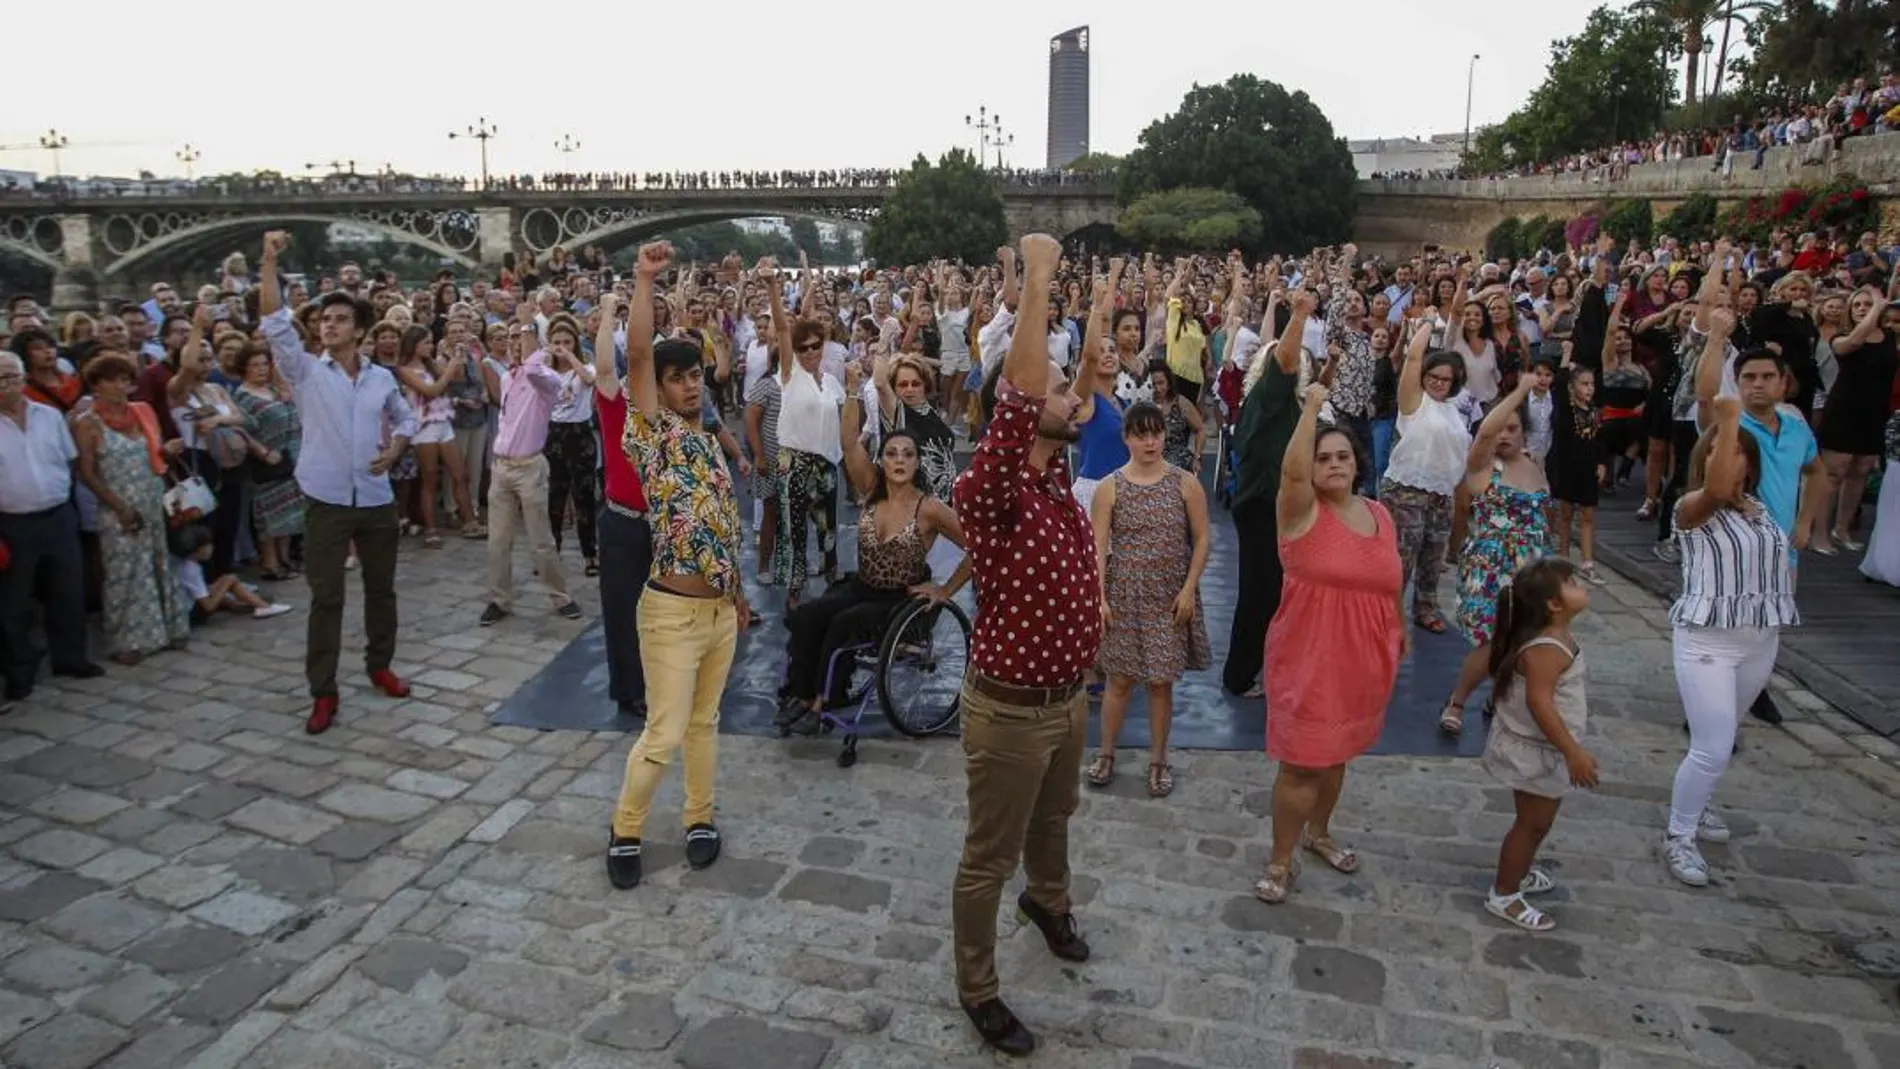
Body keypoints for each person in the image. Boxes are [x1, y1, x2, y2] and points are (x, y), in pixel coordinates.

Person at [949, 235, 1098, 1057]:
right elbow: (1023, 392)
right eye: (1056, 391)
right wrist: (1037, 277)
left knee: (1057, 817)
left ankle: (1050, 900)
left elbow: (1064, 394)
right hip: (1009, 710)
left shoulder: (1051, 481)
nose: (1070, 398)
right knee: (987, 856)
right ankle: (979, 986)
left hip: (1066, 696)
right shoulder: (993, 486)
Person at [607, 242, 750, 892]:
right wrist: (645, 280)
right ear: (658, 390)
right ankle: (626, 828)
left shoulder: (709, 445)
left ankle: (700, 816)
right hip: (668, 612)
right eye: (679, 376)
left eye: (697, 373)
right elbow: (636, 353)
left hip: (718, 611)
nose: (692, 382)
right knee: (662, 731)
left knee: (703, 723)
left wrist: (739, 597)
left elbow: (722, 528)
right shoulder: (653, 435)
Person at [257, 231, 416, 735]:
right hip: (325, 500)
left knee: (381, 590)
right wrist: (267, 262)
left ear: (361, 329)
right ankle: (323, 691)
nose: (329, 325)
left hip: (374, 498)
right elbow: (273, 321)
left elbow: (406, 418)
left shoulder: (381, 378)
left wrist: (396, 447)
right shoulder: (304, 371)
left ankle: (379, 664)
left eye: (340, 319)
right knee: (326, 597)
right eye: (324, 319)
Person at [1254, 383, 1404, 905]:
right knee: (1301, 762)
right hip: (1310, 657)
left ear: (1357, 462)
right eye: (1324, 458)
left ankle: (1318, 834)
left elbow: (1390, 586)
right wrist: (1313, 408)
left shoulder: (1379, 515)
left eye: (1343, 456)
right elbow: (1291, 472)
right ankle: (1280, 856)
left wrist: (1397, 636)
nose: (1334, 464)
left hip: (1364, 661)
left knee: (1337, 755)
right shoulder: (1300, 511)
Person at [776, 361, 969, 734]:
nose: (899, 460)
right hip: (862, 587)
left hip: (900, 600)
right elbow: (848, 442)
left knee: (843, 623)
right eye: (892, 453)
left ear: (917, 462)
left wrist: (945, 591)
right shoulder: (870, 491)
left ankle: (821, 702)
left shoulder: (929, 507)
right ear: (882, 460)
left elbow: (979, 548)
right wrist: (851, 390)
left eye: (907, 455)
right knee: (808, 615)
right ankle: (800, 695)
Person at [1663, 398, 1797, 887]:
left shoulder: (1759, 509)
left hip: (1759, 639)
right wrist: (1728, 420)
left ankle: (1697, 806)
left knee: (1722, 739)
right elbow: (1717, 487)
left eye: (1740, 451)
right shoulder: (1692, 508)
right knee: (1713, 747)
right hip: (1708, 642)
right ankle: (1679, 835)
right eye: (1722, 450)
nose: (1732, 457)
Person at [1086, 400, 1212, 798]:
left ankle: (1159, 759)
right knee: (1118, 681)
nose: (1150, 441)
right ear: (1126, 438)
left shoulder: (1185, 483)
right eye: (1141, 434)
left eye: (1156, 433)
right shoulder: (1109, 488)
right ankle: (1106, 753)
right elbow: (1098, 547)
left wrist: (1190, 588)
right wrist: (1100, 597)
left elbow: (1203, 537)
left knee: (1161, 684)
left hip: (1169, 597)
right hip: (1123, 596)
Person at [1481, 557, 1597, 932]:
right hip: (1540, 751)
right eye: (1574, 583)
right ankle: (1505, 893)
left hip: (1539, 748)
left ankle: (1520, 871)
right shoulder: (1546, 648)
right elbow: (1540, 703)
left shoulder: (1552, 638)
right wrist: (1572, 752)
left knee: (1534, 821)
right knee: (1531, 824)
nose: (1583, 587)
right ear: (1553, 604)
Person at [1441, 377, 1552, 734]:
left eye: (1513, 428)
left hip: (1531, 565)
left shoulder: (1535, 464)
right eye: (1500, 427)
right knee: (1489, 640)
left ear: (1524, 432)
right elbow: (1486, 435)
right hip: (1489, 565)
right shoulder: (1482, 464)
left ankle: (1499, 696)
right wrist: (1519, 392)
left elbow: (1542, 519)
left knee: (1525, 639)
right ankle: (1457, 700)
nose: (1504, 435)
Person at [69, 353, 190, 664]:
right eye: (113, 380)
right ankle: (128, 639)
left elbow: (151, 452)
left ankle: (166, 628)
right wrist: (118, 506)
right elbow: (87, 471)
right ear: (96, 385)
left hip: (150, 496)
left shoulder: (142, 411)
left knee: (158, 561)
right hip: (117, 502)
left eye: (125, 379)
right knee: (125, 570)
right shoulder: (88, 423)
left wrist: (165, 450)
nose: (121, 386)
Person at [0, 351, 103, 702]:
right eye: (0, 379)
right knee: (14, 602)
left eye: (12, 376)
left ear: (23, 378)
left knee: (68, 591)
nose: (7, 385)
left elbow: (70, 460)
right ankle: (20, 671)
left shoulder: (48, 416)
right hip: (12, 522)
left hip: (58, 513)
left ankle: (71, 658)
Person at [1223, 279, 1308, 698]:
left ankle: (1255, 669)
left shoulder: (1276, 399)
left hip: (1266, 503)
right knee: (1261, 594)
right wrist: (1300, 313)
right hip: (1261, 505)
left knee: (1270, 591)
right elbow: (1284, 355)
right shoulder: (1272, 392)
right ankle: (1240, 676)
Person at [479, 307, 581, 626]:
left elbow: (534, 369)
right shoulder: (508, 376)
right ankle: (499, 597)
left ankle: (560, 595)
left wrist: (527, 325)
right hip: (502, 467)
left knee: (540, 539)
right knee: (497, 540)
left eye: (519, 337)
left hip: (529, 468)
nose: (513, 342)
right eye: (510, 338)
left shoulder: (545, 378)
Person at [590, 292, 652, 719]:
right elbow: (607, 366)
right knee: (623, 611)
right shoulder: (616, 407)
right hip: (623, 523)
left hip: (663, 524)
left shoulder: (664, 415)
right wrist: (610, 310)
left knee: (665, 611)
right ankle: (631, 689)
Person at [171, 525, 292, 623]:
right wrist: (224, 586)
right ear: (199, 548)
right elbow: (208, 606)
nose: (212, 548)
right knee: (230, 579)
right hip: (193, 612)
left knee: (223, 584)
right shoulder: (192, 569)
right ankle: (263, 606)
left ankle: (242, 604)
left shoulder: (179, 562)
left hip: (186, 604)